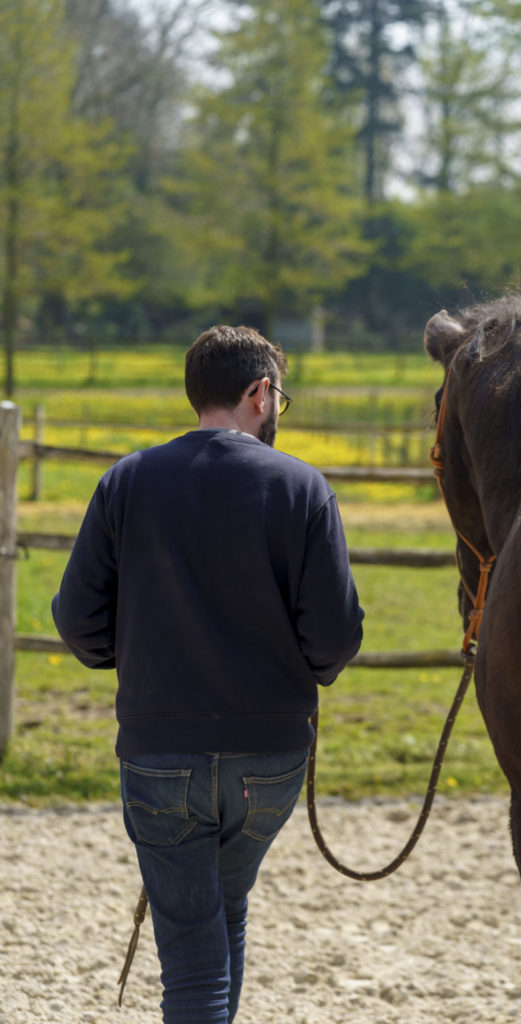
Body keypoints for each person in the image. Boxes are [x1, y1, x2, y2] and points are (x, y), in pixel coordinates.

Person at [52, 324, 364, 1024]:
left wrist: (125, 655)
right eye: (280, 395)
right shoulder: (303, 487)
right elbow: (336, 636)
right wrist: (303, 669)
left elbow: (76, 620)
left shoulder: (125, 482)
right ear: (260, 393)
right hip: (272, 757)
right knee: (225, 908)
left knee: (193, 951)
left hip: (160, 752)